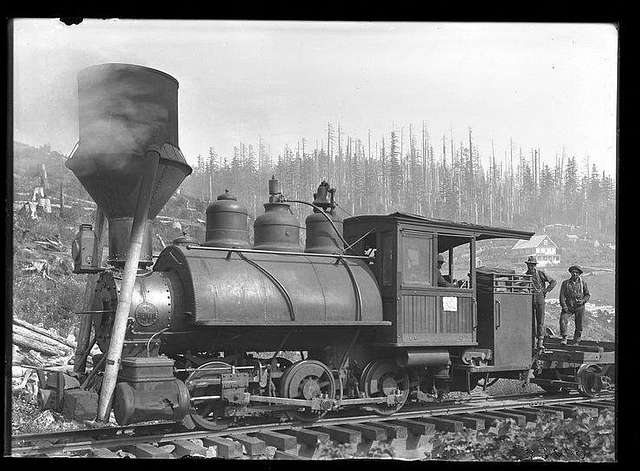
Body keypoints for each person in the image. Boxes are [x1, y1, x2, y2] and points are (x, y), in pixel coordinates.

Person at [524, 256, 557, 349]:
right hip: (530, 300)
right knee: (531, 321)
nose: (531, 267)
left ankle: (540, 342)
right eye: (530, 265)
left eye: (533, 265)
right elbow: (522, 285)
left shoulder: (541, 274)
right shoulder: (526, 276)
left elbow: (553, 282)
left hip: (540, 299)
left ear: (535, 265)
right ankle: (533, 342)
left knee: (540, 321)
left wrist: (546, 291)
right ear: (527, 266)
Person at [559, 265, 590, 345]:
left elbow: (587, 295)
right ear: (571, 273)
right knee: (563, 319)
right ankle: (564, 337)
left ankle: (576, 340)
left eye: (577, 273)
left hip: (579, 306)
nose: (575, 274)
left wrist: (583, 301)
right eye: (573, 272)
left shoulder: (583, 283)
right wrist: (564, 306)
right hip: (569, 305)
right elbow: (562, 296)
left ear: (579, 274)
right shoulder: (565, 283)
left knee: (579, 323)